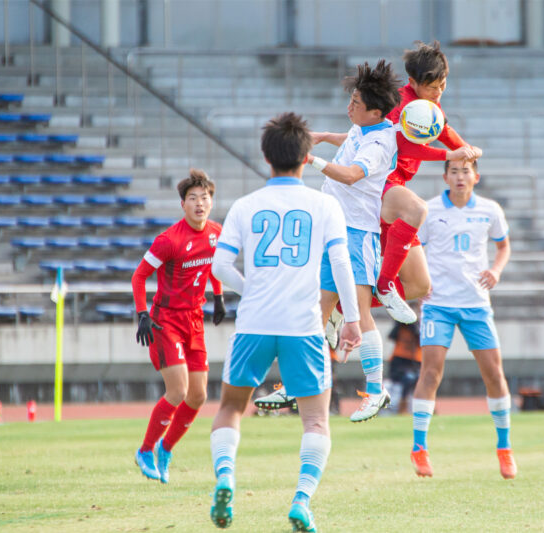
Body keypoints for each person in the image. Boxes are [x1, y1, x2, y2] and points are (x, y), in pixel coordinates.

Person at [208, 112, 362, 532]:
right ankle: (301, 499)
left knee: (230, 409)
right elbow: (341, 263)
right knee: (315, 420)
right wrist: (351, 319)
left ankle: (225, 476)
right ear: (307, 155)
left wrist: (248, 287)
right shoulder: (324, 204)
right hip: (304, 326)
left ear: (266, 157)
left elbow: (220, 267)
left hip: (254, 323)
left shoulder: (245, 206)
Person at [265, 60, 404, 423]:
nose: (349, 107)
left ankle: (377, 389)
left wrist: (311, 158)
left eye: (355, 103)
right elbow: (351, 141)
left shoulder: (379, 141)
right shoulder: (365, 127)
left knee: (359, 312)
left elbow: (352, 174)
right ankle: (296, 386)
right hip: (334, 229)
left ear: (374, 111)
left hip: (356, 233)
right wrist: (327, 136)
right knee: (317, 311)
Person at [410, 159, 516, 480]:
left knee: (494, 374)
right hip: (438, 304)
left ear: (476, 176)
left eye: (465, 171)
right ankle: (419, 448)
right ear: (444, 176)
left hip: (475, 304)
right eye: (454, 171)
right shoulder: (428, 210)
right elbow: (411, 249)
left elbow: (504, 247)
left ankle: (504, 448)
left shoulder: (490, 210)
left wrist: (496, 271)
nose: (459, 177)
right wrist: (417, 285)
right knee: (430, 373)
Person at [131, 169, 226, 484]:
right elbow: (139, 275)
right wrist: (142, 312)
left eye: (205, 197)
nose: (200, 203)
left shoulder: (216, 232)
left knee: (198, 396)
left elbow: (214, 265)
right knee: (178, 390)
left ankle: (165, 448)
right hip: (166, 319)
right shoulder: (169, 240)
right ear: (183, 204)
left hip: (194, 319)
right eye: (193, 198)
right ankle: (145, 450)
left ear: (211, 201)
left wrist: (219, 296)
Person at [375, 40, 482, 308]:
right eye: (432, 87)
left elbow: (442, 130)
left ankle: (341, 306)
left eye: (442, 85)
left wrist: (465, 150)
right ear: (412, 82)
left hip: (397, 184)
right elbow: (407, 147)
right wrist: (450, 155)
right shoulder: (403, 105)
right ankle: (384, 284)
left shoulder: (427, 102)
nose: (438, 92)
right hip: (381, 183)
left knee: (419, 286)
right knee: (416, 210)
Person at [385, 320, 422, 414]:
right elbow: (391, 336)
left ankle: (426, 406)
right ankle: (403, 405)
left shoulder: (419, 327)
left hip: (415, 363)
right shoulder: (400, 327)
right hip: (399, 364)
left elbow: (420, 337)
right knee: (408, 377)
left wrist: (414, 324)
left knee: (421, 378)